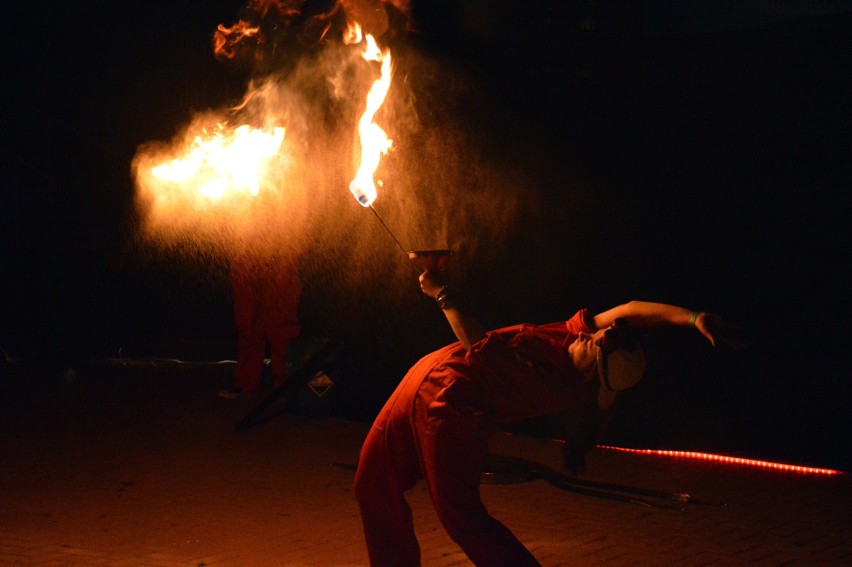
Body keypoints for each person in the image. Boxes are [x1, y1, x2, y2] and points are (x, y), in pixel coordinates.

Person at [354, 269, 741, 566]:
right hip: (423, 376)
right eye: (610, 335)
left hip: (446, 408)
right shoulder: (574, 338)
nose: (604, 335)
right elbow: (632, 311)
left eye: (607, 345)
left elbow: (477, 341)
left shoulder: (545, 383)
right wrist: (693, 319)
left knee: (462, 518)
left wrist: (441, 292)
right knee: (372, 485)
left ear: (593, 374)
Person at [218, 249, 301, 399]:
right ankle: (246, 382)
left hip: (281, 249)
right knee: (247, 321)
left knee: (282, 322)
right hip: (246, 249)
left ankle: (286, 385)